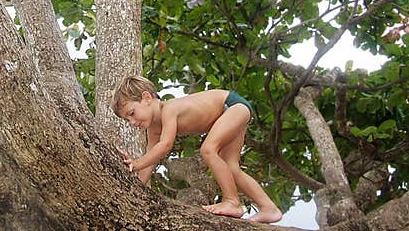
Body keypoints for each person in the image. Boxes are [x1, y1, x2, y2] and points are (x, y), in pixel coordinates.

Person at [112, 75, 282, 222]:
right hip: (230, 111)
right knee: (231, 166)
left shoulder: (169, 109)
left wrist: (135, 163)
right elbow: (151, 158)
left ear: (147, 98)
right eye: (127, 120)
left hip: (231, 106)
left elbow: (165, 146)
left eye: (132, 113)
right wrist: (135, 187)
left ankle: (232, 202)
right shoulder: (153, 128)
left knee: (208, 149)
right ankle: (269, 208)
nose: (132, 123)